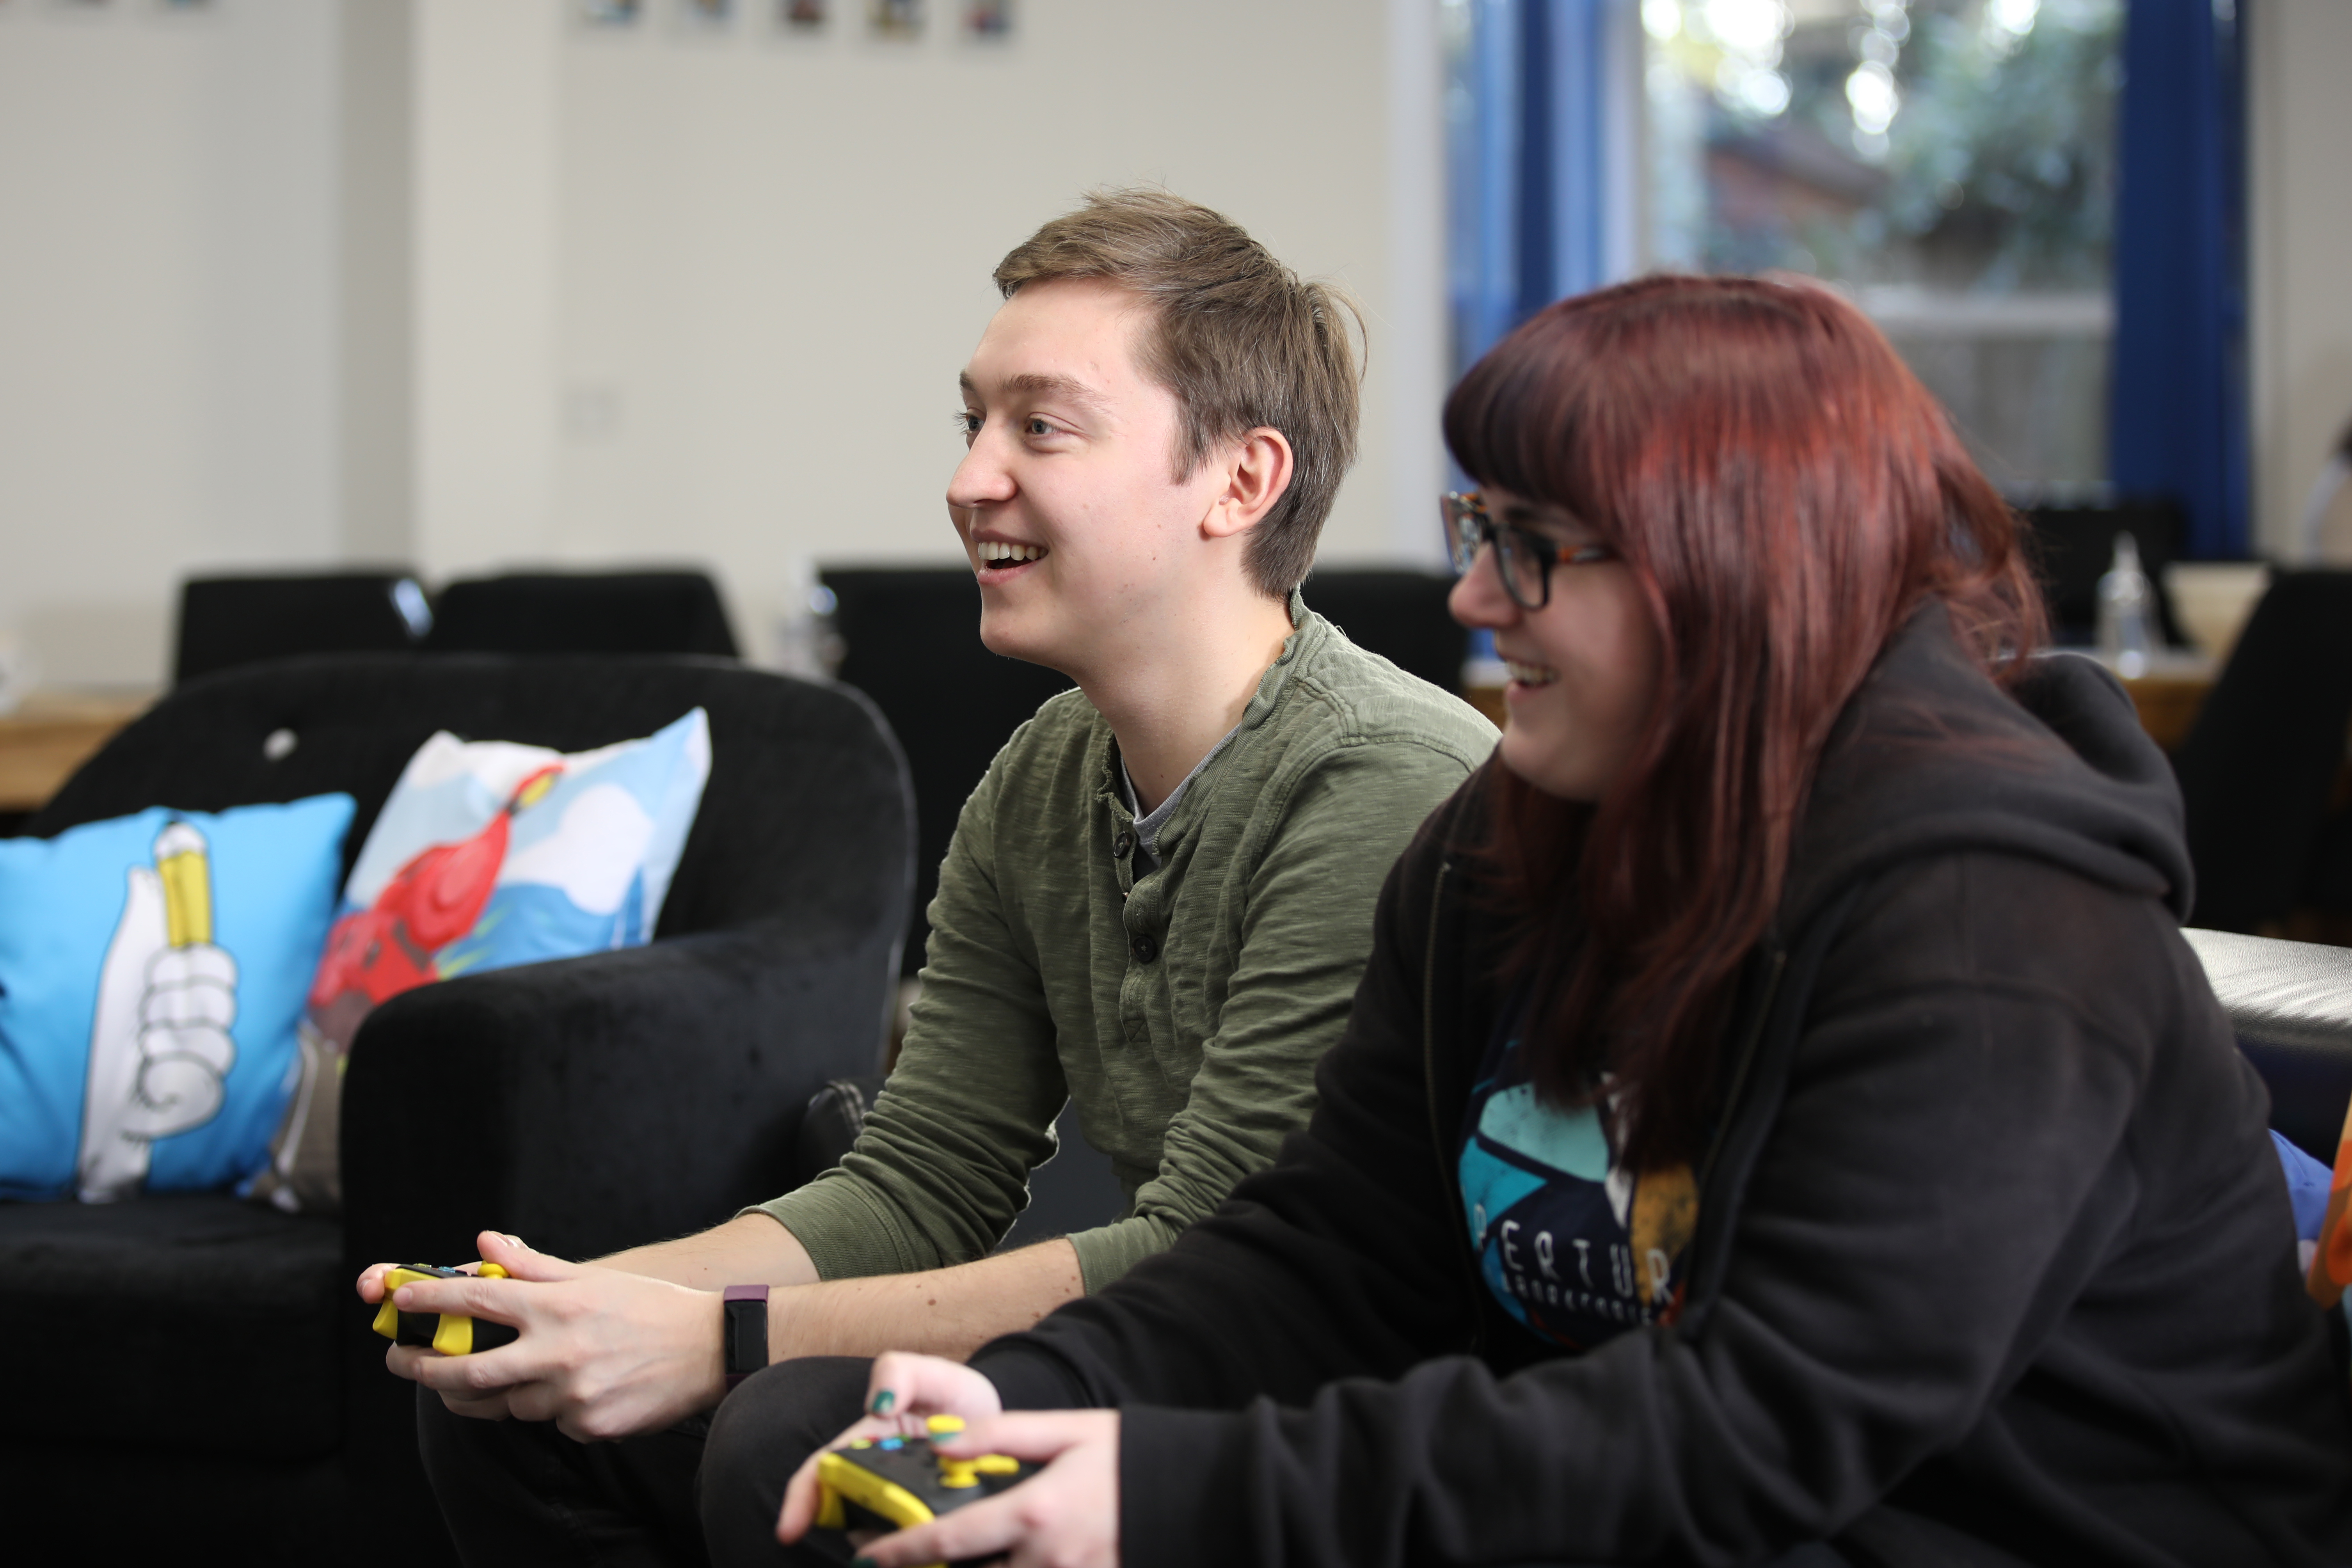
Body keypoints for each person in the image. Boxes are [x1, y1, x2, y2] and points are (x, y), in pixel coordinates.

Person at [767, 274, 2352, 1568]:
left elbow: (1765, 1426)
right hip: (1670, 1499)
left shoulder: (1992, 913)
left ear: (1730, 575)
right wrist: (1039, 1398)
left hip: (1998, 1531)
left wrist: (1164, 1494)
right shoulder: (1502, 844)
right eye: (1478, 531)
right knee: (833, 1467)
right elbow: (1333, 1251)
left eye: (1532, 547)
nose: (1471, 599)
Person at [355, 189, 1496, 1561]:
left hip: (1329, 1374)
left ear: (1239, 482)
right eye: (975, 424)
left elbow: (1221, 1251)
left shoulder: (1382, 777)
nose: (970, 480)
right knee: (510, 1393)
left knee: (793, 1433)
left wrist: (714, 1338)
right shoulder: (1041, 774)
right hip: (1166, 1330)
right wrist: (586, 1301)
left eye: (1043, 425)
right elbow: (919, 1180)